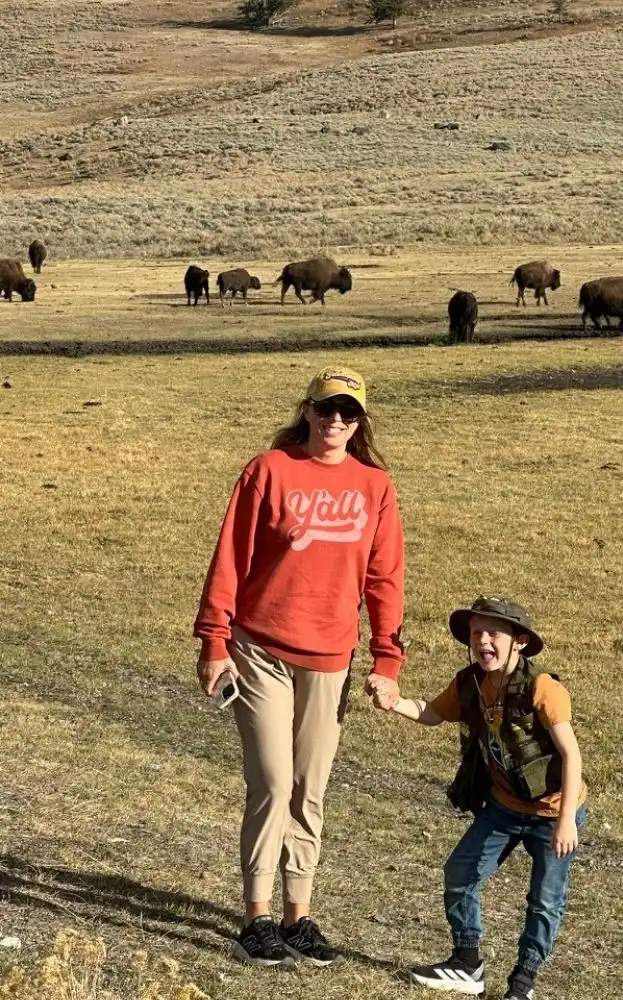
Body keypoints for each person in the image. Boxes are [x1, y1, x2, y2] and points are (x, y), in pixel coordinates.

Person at [194, 365, 405, 970]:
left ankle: (297, 916)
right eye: (327, 408)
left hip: (331, 658)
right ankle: (255, 917)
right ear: (307, 410)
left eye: (349, 412)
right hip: (259, 648)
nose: (337, 420)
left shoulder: (375, 487)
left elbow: (384, 577)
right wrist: (214, 642)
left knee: (310, 789)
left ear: (360, 421)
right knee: (273, 782)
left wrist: (386, 657)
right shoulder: (269, 470)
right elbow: (229, 557)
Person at [372, 595, 587, 1000]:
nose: (482, 641)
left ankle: (523, 983)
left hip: (555, 810)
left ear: (519, 641)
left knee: (545, 900)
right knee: (460, 872)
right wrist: (393, 702)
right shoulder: (469, 683)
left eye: (494, 633)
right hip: (504, 807)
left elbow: (571, 755)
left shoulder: (543, 688)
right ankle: (466, 965)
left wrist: (565, 823)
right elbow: (432, 712)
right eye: (475, 634)